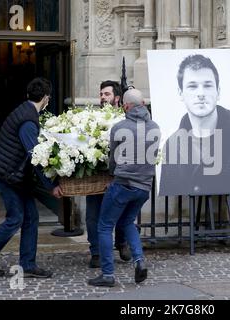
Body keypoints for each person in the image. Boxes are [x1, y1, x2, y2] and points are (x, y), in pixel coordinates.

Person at [0, 77, 63, 278]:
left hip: (14, 176)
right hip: (7, 177)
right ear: (46, 99)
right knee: (16, 218)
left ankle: (28, 265)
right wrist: (51, 186)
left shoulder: (25, 111)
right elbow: (35, 156)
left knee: (31, 217)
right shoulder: (28, 121)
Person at [159, 54, 230, 196]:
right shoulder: (171, 145)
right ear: (180, 93)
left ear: (218, 92)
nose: (201, 94)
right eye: (192, 86)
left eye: (207, 86)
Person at [88, 89, 160, 287]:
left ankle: (108, 275)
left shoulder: (119, 127)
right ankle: (139, 261)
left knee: (104, 226)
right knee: (127, 222)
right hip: (144, 187)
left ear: (126, 106)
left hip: (124, 185)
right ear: (143, 103)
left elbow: (114, 160)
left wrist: (112, 175)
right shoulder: (155, 127)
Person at [85, 80, 131, 269]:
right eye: (101, 94)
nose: (103, 98)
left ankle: (121, 243)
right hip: (96, 174)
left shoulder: (126, 119)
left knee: (122, 211)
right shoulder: (91, 118)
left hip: (119, 174)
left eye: (107, 94)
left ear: (117, 98)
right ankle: (96, 252)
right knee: (93, 215)